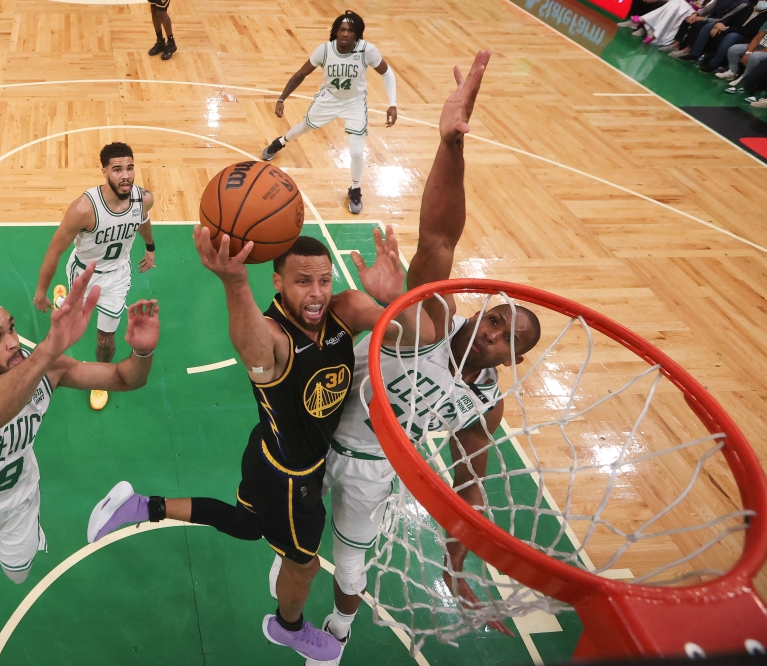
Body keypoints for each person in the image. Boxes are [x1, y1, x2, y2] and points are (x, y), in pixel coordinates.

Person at [294, 51, 542, 665]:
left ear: (510, 359)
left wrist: (458, 567)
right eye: (497, 317)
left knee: (351, 560)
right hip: (316, 422)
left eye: (509, 337)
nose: (494, 331)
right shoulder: (432, 319)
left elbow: (470, 487)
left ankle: (338, 631)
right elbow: (438, 238)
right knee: (285, 536)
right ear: (482, 313)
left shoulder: (484, 406)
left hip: (373, 463)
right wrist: (450, 146)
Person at [86, 227, 432, 661]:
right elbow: (252, 348)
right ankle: (288, 628)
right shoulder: (274, 333)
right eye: (303, 281)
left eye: (323, 280)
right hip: (293, 476)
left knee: (249, 525)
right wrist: (234, 283)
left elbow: (421, 338)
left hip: (267, 451)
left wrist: (398, 298)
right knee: (303, 566)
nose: (316, 293)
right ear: (278, 282)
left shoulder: (345, 310)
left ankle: (139, 506)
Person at [0, 266, 159, 583]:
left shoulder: (41, 367)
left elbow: (124, 378)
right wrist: (49, 349)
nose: (12, 342)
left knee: (18, 575)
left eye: (11, 329)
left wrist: (142, 349)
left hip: (20, 499)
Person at [33, 142, 156, 411]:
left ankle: (100, 377)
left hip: (117, 277)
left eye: (130, 167)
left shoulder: (143, 198)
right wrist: (40, 291)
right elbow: (55, 250)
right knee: (67, 324)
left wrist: (149, 247)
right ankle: (60, 299)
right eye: (117, 169)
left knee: (105, 339)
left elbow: (143, 219)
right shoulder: (84, 209)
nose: (126, 175)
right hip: (83, 274)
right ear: (104, 171)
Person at [261, 11, 397, 215]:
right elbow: (300, 74)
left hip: (355, 102)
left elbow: (387, 72)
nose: (345, 34)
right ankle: (280, 141)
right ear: (335, 31)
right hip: (329, 99)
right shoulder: (324, 51)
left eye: (350, 31)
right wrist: (282, 98)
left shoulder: (367, 51)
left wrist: (392, 103)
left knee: (357, 151)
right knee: (304, 128)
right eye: (342, 29)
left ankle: (355, 188)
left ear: (357, 34)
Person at [668, 0, 749, 57]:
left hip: (721, 24)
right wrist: (696, 14)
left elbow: (726, 19)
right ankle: (676, 44)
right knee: (688, 19)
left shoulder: (743, 4)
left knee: (699, 24)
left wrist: (704, 19)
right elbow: (708, 8)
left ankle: (688, 50)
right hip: (709, 19)